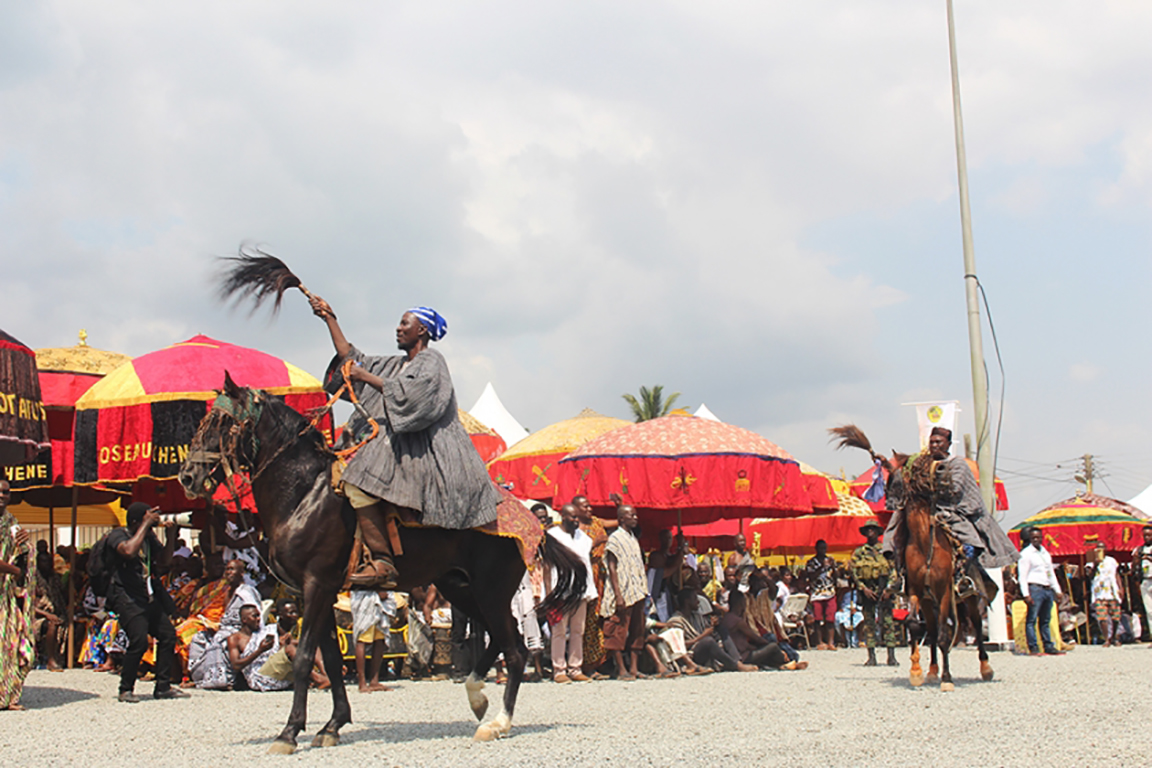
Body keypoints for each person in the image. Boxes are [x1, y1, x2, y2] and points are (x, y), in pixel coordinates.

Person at [310, 295, 501, 589]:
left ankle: (383, 562)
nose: (398, 329)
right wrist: (329, 319)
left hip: (431, 448)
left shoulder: (432, 361)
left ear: (421, 330)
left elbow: (413, 395)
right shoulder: (394, 364)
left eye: (404, 323)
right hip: (401, 443)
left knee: (360, 478)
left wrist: (364, 375)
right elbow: (352, 358)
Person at [883, 427, 1019, 590]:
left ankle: (966, 575)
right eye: (932, 442)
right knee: (898, 525)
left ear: (948, 444)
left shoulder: (957, 464)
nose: (934, 445)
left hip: (951, 510)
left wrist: (929, 486)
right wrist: (888, 467)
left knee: (968, 540)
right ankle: (898, 575)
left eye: (938, 442)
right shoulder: (921, 461)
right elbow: (905, 474)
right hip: (924, 508)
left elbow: (954, 489)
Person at [104, 502, 187, 702]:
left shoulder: (148, 538)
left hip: (147, 596)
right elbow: (128, 551)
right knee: (139, 640)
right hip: (126, 597)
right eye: (147, 518)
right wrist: (145, 526)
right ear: (135, 522)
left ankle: (163, 687)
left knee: (167, 635)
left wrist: (170, 538)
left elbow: (165, 562)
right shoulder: (118, 535)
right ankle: (126, 688)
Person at [187, 559, 263, 689]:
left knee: (220, 640)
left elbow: (254, 617)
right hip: (223, 629)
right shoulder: (227, 592)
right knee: (198, 638)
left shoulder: (246, 592)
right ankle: (201, 677)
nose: (228, 573)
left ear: (241, 573)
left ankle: (221, 680)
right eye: (227, 569)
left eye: (232, 569)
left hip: (241, 631)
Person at [545, 503, 598, 683]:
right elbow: (547, 566)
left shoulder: (584, 538)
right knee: (559, 631)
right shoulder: (552, 536)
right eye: (572, 517)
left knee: (578, 630)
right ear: (563, 516)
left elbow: (587, 565)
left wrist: (590, 591)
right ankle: (559, 670)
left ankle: (575, 668)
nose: (576, 520)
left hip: (580, 592)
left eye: (577, 517)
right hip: (560, 592)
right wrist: (548, 593)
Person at [599, 503, 649, 681]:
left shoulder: (633, 538)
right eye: (631, 515)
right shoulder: (615, 539)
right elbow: (612, 566)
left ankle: (634, 668)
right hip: (622, 591)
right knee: (618, 629)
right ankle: (621, 669)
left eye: (635, 515)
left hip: (637, 590)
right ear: (621, 519)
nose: (635, 518)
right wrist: (618, 594)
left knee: (637, 629)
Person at [0, 480, 37, 710]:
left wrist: (26, 545)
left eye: (5, 491)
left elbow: (23, 551)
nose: (2, 495)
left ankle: (8, 695)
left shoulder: (11, 522)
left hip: (6, 596)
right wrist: (14, 570)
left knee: (15, 647)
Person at [667, 589, 755, 673]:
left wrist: (713, 625)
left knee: (721, 628)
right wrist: (702, 636)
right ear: (687, 602)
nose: (698, 602)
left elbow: (707, 629)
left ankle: (737, 660)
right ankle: (735, 665)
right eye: (695, 599)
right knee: (708, 641)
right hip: (690, 656)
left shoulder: (696, 616)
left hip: (702, 649)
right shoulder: (676, 620)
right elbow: (678, 646)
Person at [849, 519, 900, 666]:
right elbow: (854, 572)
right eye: (868, 529)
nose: (870, 531)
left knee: (888, 622)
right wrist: (863, 588)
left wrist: (889, 589)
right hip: (867, 590)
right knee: (869, 623)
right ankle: (871, 656)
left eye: (873, 529)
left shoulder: (886, 550)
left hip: (883, 589)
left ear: (878, 532)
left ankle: (891, 655)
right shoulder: (859, 552)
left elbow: (893, 570)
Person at [720, 591, 806, 670]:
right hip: (744, 656)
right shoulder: (738, 621)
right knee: (773, 647)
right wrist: (771, 646)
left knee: (764, 649)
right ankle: (786, 663)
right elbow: (755, 638)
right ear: (740, 604)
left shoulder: (726, 618)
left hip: (737, 654)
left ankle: (779, 664)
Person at [1017, 526, 1064, 656]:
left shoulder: (1045, 553)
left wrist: (1057, 590)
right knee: (1032, 620)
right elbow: (1022, 576)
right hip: (1034, 588)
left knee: (1045, 620)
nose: (1036, 540)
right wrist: (1026, 594)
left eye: (1038, 537)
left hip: (1047, 589)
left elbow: (1051, 573)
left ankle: (1048, 646)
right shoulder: (1026, 554)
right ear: (1030, 539)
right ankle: (1033, 647)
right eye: (1033, 538)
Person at [226, 604, 291, 691]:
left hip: (276, 671)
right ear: (244, 619)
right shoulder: (235, 638)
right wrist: (260, 650)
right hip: (259, 677)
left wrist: (283, 644)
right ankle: (315, 679)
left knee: (297, 647)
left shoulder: (266, 631)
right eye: (254, 616)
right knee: (291, 649)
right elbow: (236, 665)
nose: (259, 619)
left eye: (259, 616)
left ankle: (314, 678)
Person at [350, 586, 398, 692]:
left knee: (379, 640)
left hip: (380, 602)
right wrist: (378, 588)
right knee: (362, 639)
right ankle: (362, 682)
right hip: (365, 599)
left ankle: (374, 680)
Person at [1088, 542, 1124, 647]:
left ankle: (1114, 637)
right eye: (1098, 548)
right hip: (1100, 592)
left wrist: (1120, 587)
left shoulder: (1111, 561)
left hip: (1112, 590)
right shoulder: (1091, 562)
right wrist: (1096, 564)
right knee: (1102, 616)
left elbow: (1116, 574)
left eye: (1102, 548)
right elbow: (1090, 576)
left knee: (1116, 616)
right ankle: (1106, 638)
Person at [804, 540, 837, 650]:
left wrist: (833, 567)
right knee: (817, 618)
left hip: (830, 592)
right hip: (817, 593)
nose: (823, 550)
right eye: (821, 548)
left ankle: (831, 642)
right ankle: (820, 642)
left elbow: (836, 577)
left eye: (825, 548)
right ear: (816, 549)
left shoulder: (830, 560)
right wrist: (821, 567)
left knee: (830, 618)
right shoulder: (811, 562)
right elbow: (810, 576)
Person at [1132, 526, 1152, 644]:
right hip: (1145, 580)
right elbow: (1134, 568)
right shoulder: (1139, 550)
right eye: (1145, 535)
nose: (1147, 537)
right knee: (1149, 611)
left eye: (1149, 535)